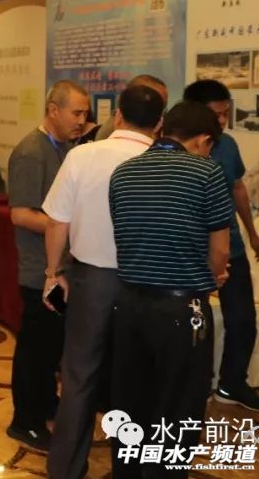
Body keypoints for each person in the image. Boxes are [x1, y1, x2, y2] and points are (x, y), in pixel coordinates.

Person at [41, 85, 164, 479]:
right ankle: (132, 468)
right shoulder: (164, 163)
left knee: (79, 376)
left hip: (91, 281)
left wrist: (53, 272)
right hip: (145, 285)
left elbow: (57, 221)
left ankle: (66, 469)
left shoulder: (83, 155)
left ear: (117, 115)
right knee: (138, 378)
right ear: (159, 123)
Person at [108, 102, 232, 478]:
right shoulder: (207, 172)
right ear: (204, 140)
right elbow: (221, 250)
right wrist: (213, 275)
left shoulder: (123, 172)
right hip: (182, 311)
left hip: (127, 306)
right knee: (178, 409)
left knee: (130, 404)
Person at [7, 80, 89, 449]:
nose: (81, 120)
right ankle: (25, 421)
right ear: (53, 110)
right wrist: (66, 227)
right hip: (40, 271)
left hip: (62, 269)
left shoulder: (67, 148)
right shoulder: (31, 152)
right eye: (76, 113)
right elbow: (21, 214)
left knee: (52, 346)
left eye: (85, 114)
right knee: (35, 349)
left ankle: (45, 403)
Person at [183, 79, 259, 414]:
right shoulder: (177, 148)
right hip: (193, 253)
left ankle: (232, 384)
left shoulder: (228, 145)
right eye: (216, 114)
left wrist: (252, 233)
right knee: (195, 322)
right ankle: (197, 385)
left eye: (225, 113)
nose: (222, 120)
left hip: (230, 248)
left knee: (243, 320)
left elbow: (237, 188)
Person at [94, 75, 168, 140]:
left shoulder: (160, 127)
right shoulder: (111, 130)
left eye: (163, 105)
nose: (159, 108)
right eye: (153, 100)